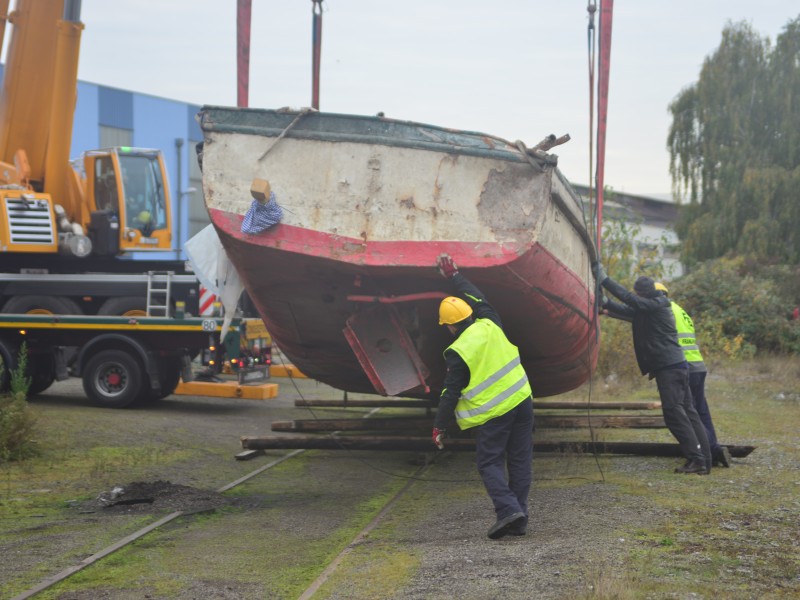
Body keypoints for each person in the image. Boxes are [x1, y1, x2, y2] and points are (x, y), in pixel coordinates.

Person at [432, 254, 534, 539]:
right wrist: (454, 275)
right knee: (520, 460)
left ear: (449, 327)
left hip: (496, 412)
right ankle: (520, 519)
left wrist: (439, 427)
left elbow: (449, 393)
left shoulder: (458, 351)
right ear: (470, 315)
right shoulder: (490, 321)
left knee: (489, 462)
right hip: (523, 401)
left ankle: (508, 511)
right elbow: (477, 296)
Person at [594, 264, 712, 474]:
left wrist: (605, 279)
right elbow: (629, 310)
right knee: (688, 412)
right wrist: (606, 304)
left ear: (643, 294)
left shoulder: (658, 304)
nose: (636, 297)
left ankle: (697, 459)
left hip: (670, 369)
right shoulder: (653, 306)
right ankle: (705, 459)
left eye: (637, 294)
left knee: (674, 414)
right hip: (676, 367)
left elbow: (631, 301)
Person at [654, 282, 731, 468]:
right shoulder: (680, 310)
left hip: (683, 366)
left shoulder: (662, 310)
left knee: (689, 413)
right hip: (698, 365)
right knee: (701, 412)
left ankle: (707, 453)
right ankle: (713, 450)